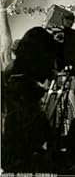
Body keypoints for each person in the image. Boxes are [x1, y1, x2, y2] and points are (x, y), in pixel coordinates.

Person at [2, 27, 58, 173]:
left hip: (14, 157)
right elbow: (36, 136)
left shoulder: (14, 73)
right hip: (20, 161)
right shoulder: (23, 89)